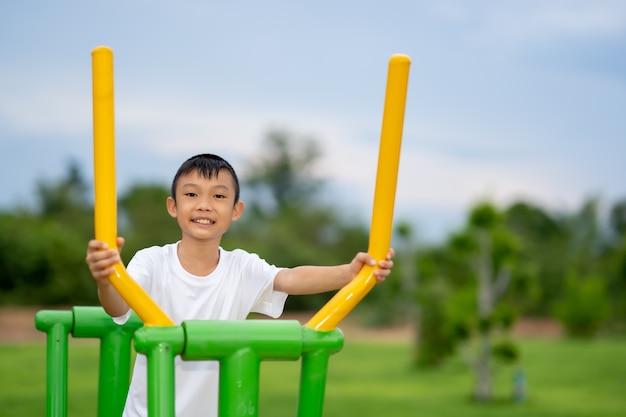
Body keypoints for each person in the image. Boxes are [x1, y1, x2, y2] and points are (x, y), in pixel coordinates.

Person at [85, 153, 394, 417]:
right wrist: (106, 278)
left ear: (236, 211)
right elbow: (118, 305)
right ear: (173, 206)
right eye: (191, 195)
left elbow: (289, 278)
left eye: (218, 196)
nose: (205, 205)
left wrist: (349, 273)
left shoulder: (242, 267)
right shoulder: (152, 261)